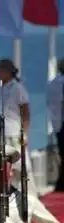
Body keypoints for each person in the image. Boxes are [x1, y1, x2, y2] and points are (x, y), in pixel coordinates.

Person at [0, 58, 37, 196]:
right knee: (3, 165)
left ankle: (29, 194)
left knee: (21, 165)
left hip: (14, 131)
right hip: (2, 131)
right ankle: (9, 192)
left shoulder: (18, 88)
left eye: (0, 70)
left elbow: (25, 113)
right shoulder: (1, 88)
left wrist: (25, 133)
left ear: (7, 71)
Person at [46, 58, 64, 192]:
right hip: (61, 121)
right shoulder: (59, 83)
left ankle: (61, 181)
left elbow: (49, 103)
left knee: (61, 153)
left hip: (57, 122)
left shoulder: (52, 84)